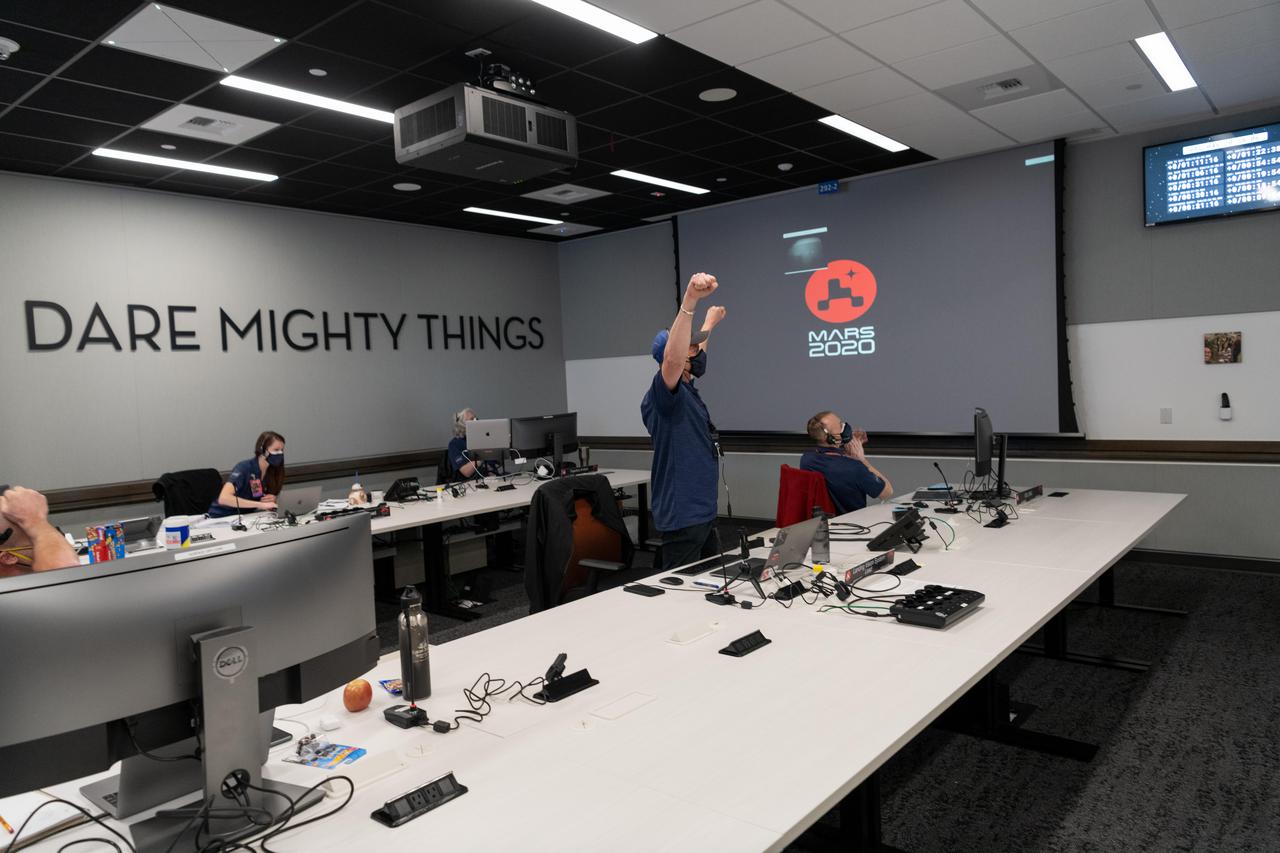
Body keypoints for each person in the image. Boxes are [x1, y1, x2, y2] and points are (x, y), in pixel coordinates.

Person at [641, 272, 728, 571]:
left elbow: (695, 354)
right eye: (690, 349)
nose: (697, 352)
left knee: (708, 581)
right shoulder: (664, 394)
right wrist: (690, 300)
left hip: (701, 510)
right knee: (681, 590)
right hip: (683, 513)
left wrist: (709, 324)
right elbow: (674, 360)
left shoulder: (687, 388)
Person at [799, 412, 893, 514]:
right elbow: (887, 492)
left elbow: (832, 461)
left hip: (823, 520)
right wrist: (862, 460)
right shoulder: (854, 468)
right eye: (840, 425)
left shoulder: (807, 459)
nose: (845, 426)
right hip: (852, 521)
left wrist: (847, 445)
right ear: (832, 438)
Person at [0, 485, 79, 575]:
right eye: (34, 536)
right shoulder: (49, 580)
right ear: (8, 557)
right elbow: (67, 574)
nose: (55, 541)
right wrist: (36, 523)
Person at [208, 431, 286, 518]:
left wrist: (269, 500)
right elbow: (224, 498)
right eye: (276, 450)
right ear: (262, 450)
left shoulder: (272, 471)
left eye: (281, 450)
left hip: (246, 517)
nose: (280, 453)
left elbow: (256, 496)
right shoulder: (244, 468)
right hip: (222, 516)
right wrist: (260, 505)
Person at [446, 409, 502, 481]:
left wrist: (501, 444)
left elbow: (498, 463)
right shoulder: (455, 444)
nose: (476, 421)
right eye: (472, 419)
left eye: (476, 419)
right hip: (470, 482)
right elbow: (466, 472)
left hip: (493, 479)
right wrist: (482, 455)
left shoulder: (483, 439)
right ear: (462, 424)